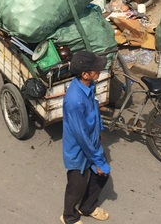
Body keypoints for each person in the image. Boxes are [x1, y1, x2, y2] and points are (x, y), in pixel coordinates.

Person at [61, 51, 110, 224]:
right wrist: (97, 159)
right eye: (96, 70)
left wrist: (99, 130)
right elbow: (81, 136)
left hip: (92, 141)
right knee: (76, 187)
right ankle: (69, 216)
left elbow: (94, 109)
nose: (99, 72)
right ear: (85, 74)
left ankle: (87, 207)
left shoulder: (90, 86)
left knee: (102, 175)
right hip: (79, 150)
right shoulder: (74, 100)